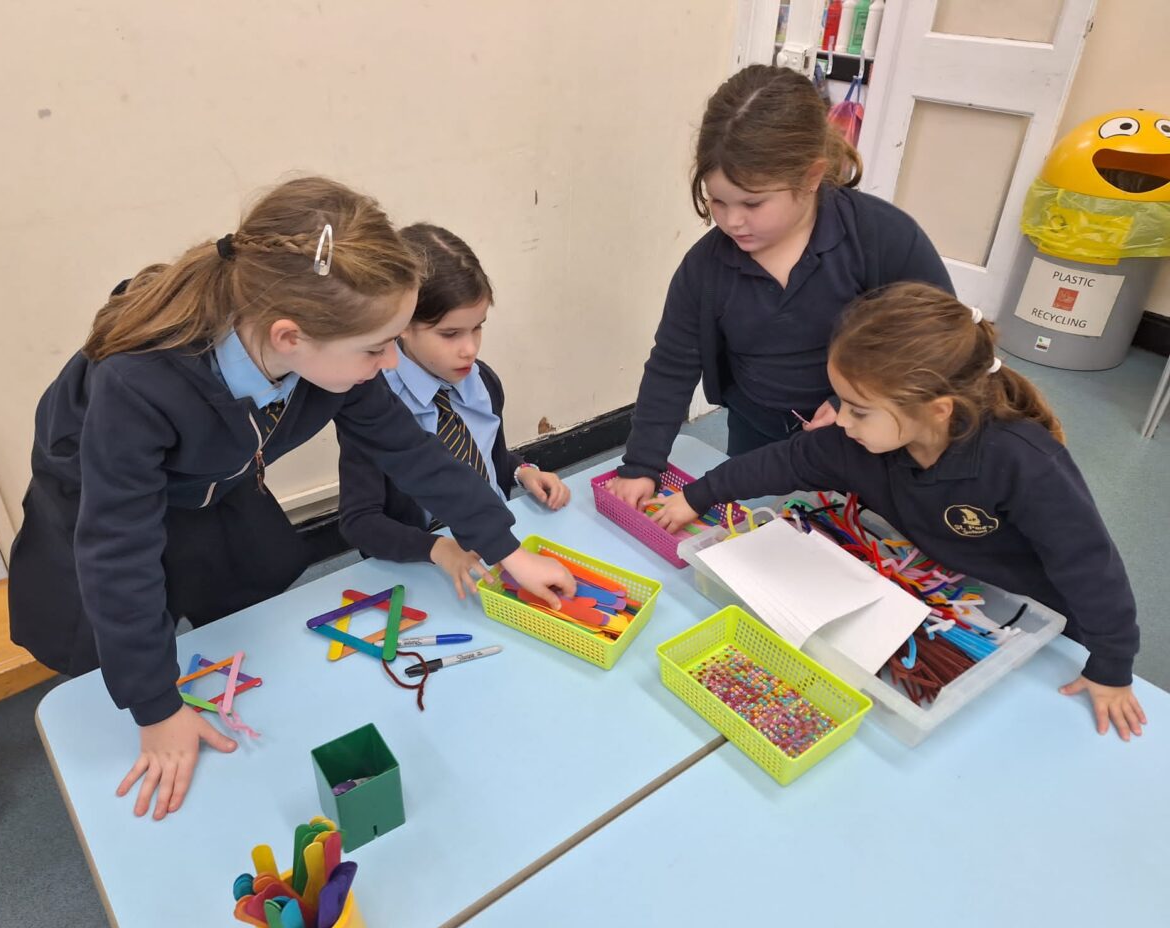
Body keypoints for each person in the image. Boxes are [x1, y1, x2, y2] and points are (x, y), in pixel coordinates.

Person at [8, 178, 574, 820]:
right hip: (94, 490)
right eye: (376, 347)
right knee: (111, 632)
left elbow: (412, 454)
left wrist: (506, 550)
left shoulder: (330, 350)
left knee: (247, 601)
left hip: (217, 476)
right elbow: (116, 550)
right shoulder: (139, 383)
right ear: (288, 337)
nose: (391, 363)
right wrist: (158, 708)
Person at [652, 282, 1147, 740]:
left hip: (1037, 622)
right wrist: (699, 496)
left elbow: (1089, 568)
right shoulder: (858, 442)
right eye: (840, 401)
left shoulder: (1023, 462)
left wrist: (1111, 666)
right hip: (949, 597)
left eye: (857, 409)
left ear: (937, 408)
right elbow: (786, 462)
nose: (839, 420)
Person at [608, 63, 951, 508]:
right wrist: (641, 465)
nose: (732, 220)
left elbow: (938, 342)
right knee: (758, 534)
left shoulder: (881, 237)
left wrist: (851, 402)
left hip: (868, 435)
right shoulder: (704, 268)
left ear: (810, 177)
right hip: (759, 434)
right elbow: (672, 366)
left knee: (859, 540)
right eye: (718, 200)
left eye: (753, 202)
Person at [338, 223, 570, 597]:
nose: (469, 349)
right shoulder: (374, 406)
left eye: (477, 328)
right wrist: (437, 548)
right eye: (450, 334)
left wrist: (523, 470)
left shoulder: (483, 382)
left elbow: (484, 457)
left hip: (500, 542)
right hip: (428, 565)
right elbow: (360, 522)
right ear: (402, 327)